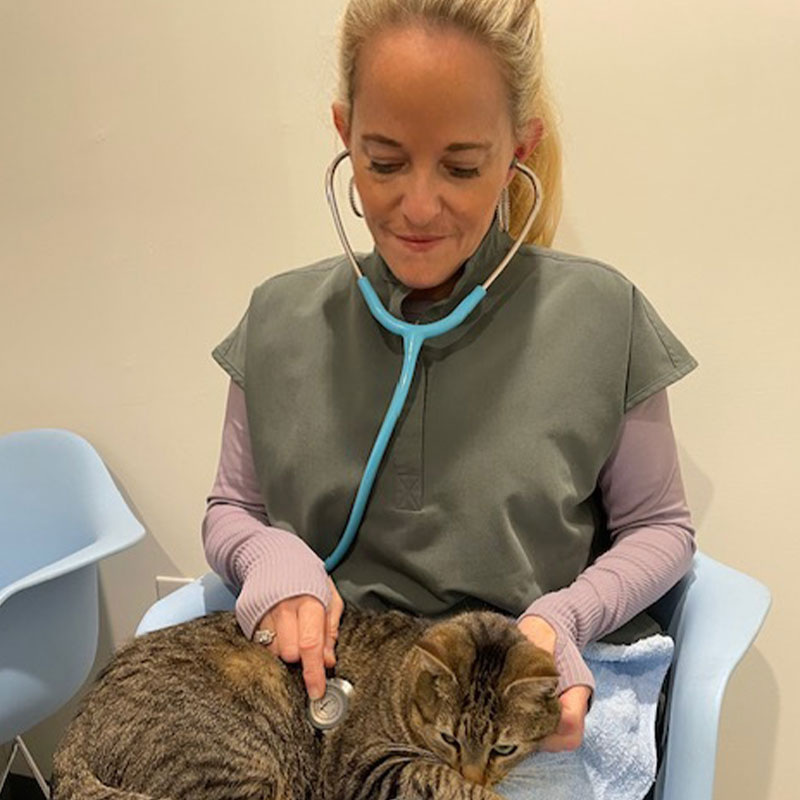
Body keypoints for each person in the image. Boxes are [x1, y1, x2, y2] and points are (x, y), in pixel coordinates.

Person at [202, 0, 697, 765]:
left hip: (502, 703)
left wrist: (563, 618)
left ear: (517, 150)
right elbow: (233, 506)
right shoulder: (278, 318)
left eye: (462, 167)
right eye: (385, 161)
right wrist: (268, 556)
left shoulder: (602, 315)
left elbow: (662, 528)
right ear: (344, 136)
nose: (419, 206)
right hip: (326, 697)